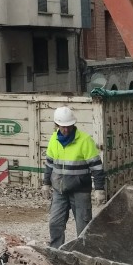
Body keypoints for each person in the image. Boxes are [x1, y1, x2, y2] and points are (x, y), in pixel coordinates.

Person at [42, 106, 105, 248]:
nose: (66, 130)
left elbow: (96, 167)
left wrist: (99, 189)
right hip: (60, 190)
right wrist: (46, 183)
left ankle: (84, 253)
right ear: (57, 125)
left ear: (73, 124)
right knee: (55, 223)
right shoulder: (54, 139)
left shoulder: (84, 140)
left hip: (80, 189)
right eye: (63, 127)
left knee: (83, 224)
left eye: (69, 126)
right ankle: (56, 251)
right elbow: (49, 164)